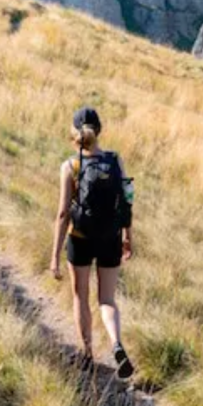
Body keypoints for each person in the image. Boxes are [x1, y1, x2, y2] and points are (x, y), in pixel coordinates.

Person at [51, 107, 136, 379]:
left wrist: (54, 257)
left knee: (81, 296)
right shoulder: (115, 160)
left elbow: (63, 213)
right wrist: (127, 236)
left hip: (80, 239)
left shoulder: (70, 166)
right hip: (111, 237)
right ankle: (116, 343)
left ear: (74, 132)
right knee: (107, 299)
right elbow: (127, 200)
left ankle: (87, 353)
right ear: (99, 131)